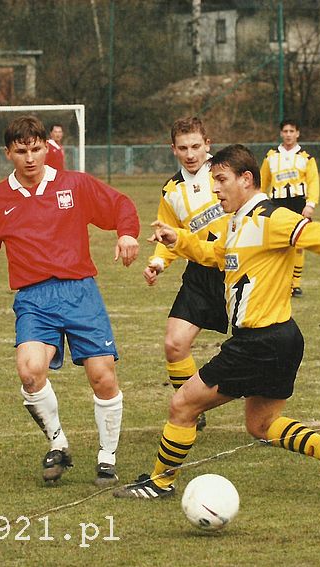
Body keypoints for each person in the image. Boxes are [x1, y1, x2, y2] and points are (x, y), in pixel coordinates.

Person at [114, 144, 320, 502]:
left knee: (182, 405)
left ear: (246, 179)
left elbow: (319, 236)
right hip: (283, 339)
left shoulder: (271, 219)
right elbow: (214, 254)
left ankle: (159, 483)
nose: (215, 189)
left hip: (257, 342)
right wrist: (178, 239)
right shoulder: (235, 223)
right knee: (261, 425)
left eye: (222, 180)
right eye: (213, 181)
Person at [0, 115, 140, 487]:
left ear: (47, 147)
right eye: (21, 151)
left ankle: (107, 457)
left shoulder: (74, 185)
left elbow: (121, 205)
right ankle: (58, 443)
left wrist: (127, 234)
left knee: (102, 375)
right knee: (29, 371)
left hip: (80, 291)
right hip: (34, 298)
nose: (30, 158)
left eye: (36, 149)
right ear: (8, 153)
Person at [143, 117, 229, 431]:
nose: (190, 154)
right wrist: (158, 262)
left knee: (256, 348)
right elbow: (170, 234)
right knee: (174, 343)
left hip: (237, 270)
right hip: (200, 274)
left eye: (196, 146)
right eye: (183, 148)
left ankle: (264, 414)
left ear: (208, 143)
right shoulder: (171, 190)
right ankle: (190, 405)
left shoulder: (226, 172)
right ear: (173, 150)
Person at [260, 118, 320, 297]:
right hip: (277, 204)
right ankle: (277, 283)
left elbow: (313, 182)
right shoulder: (271, 157)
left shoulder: (306, 158)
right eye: (285, 131)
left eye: (291, 131)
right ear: (281, 133)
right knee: (275, 244)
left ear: (297, 133)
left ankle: (295, 284)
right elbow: (263, 181)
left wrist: (310, 204)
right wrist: (259, 201)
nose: (288, 135)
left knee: (299, 244)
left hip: (298, 203)